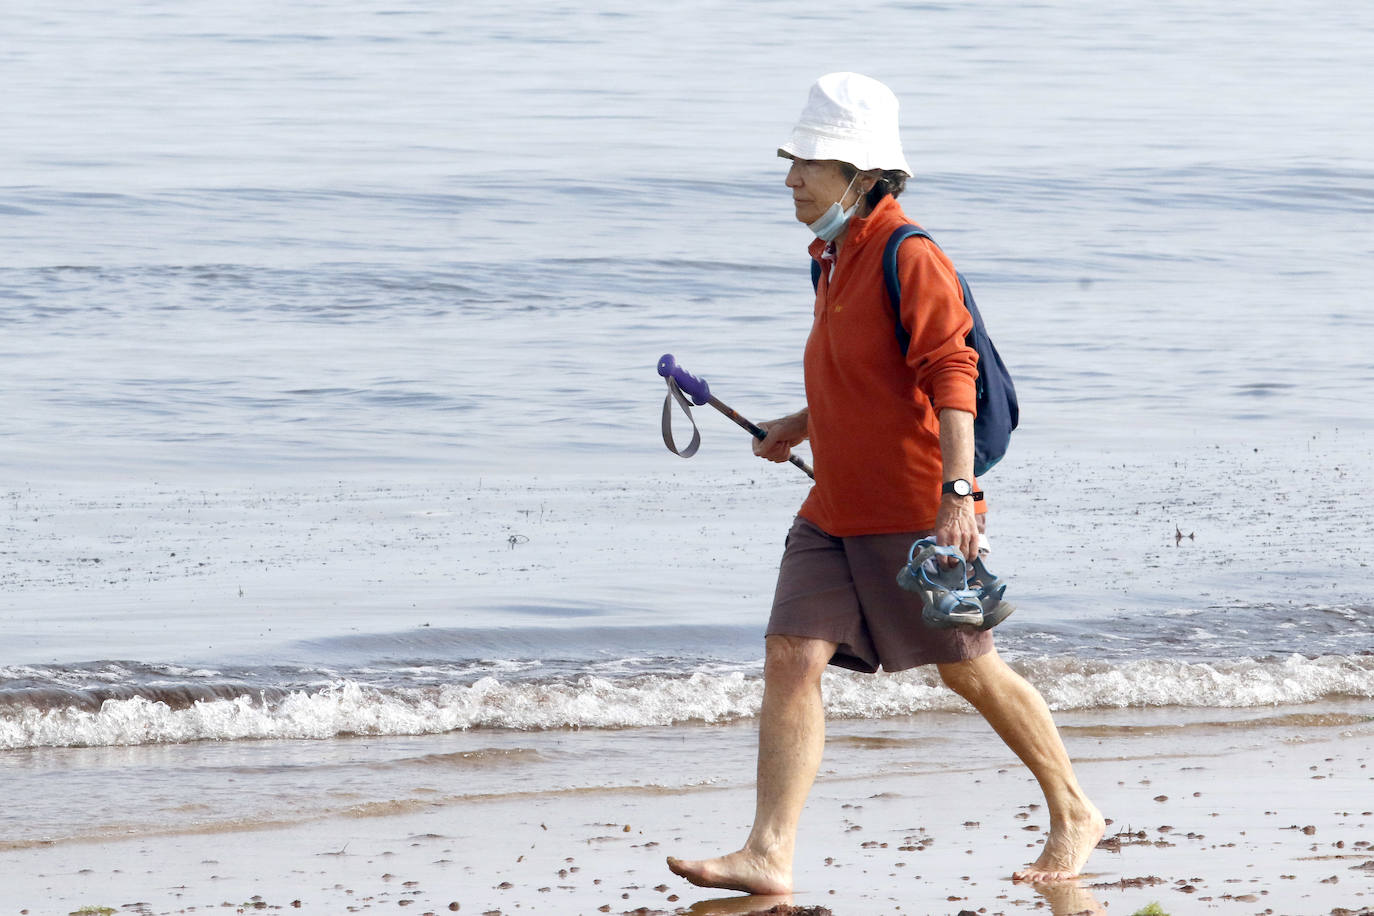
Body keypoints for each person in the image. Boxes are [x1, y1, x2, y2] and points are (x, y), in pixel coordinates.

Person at [667, 72, 1103, 894]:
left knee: (969, 666)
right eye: (792, 161)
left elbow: (952, 376)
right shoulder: (831, 260)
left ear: (862, 177)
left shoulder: (912, 255)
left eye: (809, 163)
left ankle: (1075, 810)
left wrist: (960, 497)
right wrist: (801, 423)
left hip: (917, 506)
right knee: (792, 653)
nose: (791, 178)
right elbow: (865, 376)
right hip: (832, 505)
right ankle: (769, 851)